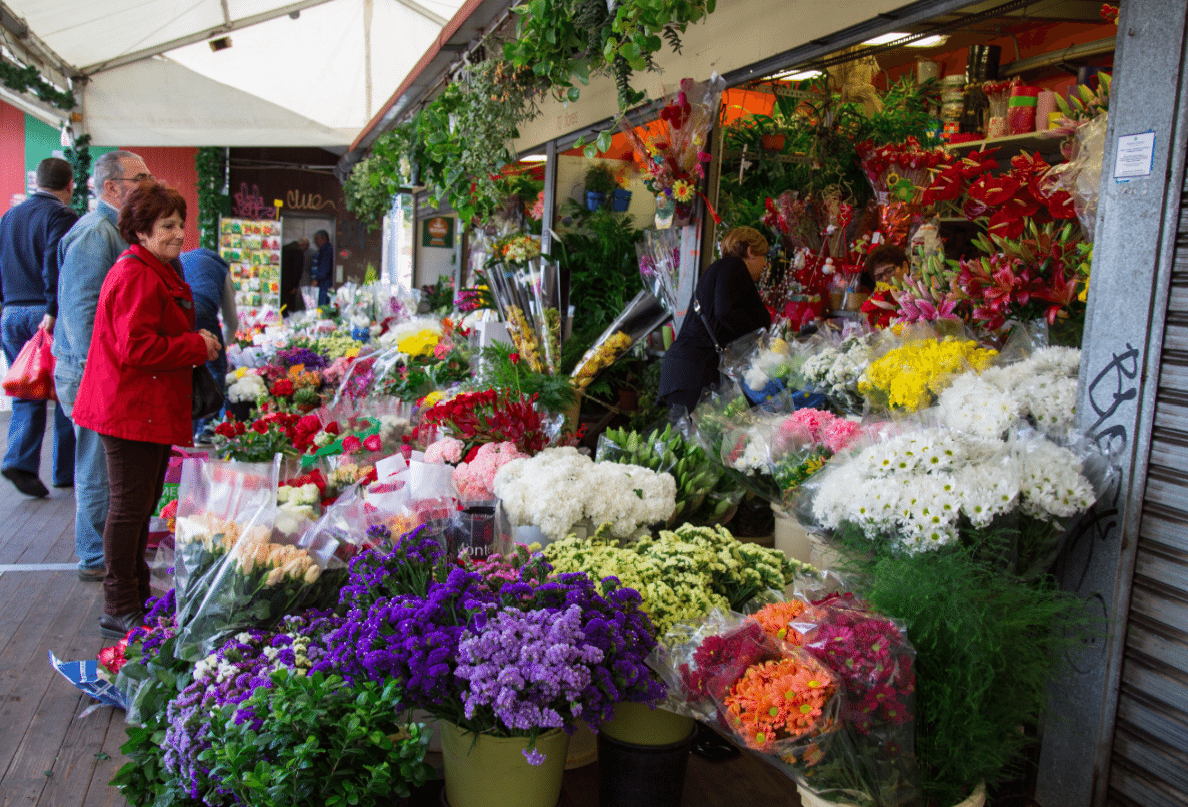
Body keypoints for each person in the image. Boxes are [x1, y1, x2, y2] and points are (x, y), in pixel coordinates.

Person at [71, 181, 220, 637]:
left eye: (181, 224)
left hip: (145, 408)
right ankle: (119, 602)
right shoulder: (136, 273)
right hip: (129, 408)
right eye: (168, 226)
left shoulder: (155, 268)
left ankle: (133, 592)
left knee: (140, 505)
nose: (179, 234)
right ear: (141, 230)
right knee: (128, 508)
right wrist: (196, 345)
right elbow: (137, 348)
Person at [55, 150, 151, 581]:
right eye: (140, 178)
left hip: (103, 371)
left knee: (108, 466)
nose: (149, 185)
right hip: (90, 372)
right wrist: (112, 371)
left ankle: (104, 554)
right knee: (97, 466)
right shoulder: (96, 233)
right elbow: (82, 315)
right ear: (112, 188)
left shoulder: (113, 229)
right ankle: (95, 558)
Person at [0, 157, 78, 498]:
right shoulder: (60, 216)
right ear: (70, 185)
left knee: (26, 386)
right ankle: (66, 471)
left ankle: (21, 460)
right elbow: (55, 264)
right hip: (43, 313)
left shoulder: (9, 216)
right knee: (65, 390)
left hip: (11, 311)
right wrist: (52, 307)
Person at [658, 226, 772, 415]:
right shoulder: (734, 266)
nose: (765, 263)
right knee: (699, 438)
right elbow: (726, 312)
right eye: (763, 256)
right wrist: (758, 341)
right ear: (750, 251)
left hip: (686, 371)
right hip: (695, 373)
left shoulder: (720, 270)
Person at [179, 247, 238, 444]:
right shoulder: (221, 269)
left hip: (176, 309)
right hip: (202, 310)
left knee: (182, 367)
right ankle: (207, 427)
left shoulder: (182, 258)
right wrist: (221, 346)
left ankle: (184, 426)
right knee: (216, 368)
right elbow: (231, 320)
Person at [279, 238, 306, 315]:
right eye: (305, 249)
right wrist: (295, 286)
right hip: (290, 285)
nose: (304, 251)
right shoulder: (298, 251)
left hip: (281, 282)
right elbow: (297, 270)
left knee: (282, 304)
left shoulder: (284, 248)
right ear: (303, 245)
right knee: (289, 306)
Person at [312, 229, 334, 307]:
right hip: (323, 283)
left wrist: (316, 279)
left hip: (325, 283)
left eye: (317, 239)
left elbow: (324, 268)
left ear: (324, 238)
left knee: (323, 305)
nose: (315, 242)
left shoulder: (327, 250)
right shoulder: (323, 250)